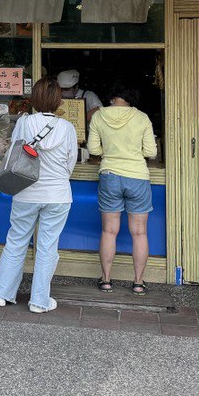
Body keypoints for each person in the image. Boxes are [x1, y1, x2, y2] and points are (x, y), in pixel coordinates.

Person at [0, 76, 79, 313]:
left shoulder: (25, 122)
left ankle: (2, 294)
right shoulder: (67, 128)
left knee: (16, 240)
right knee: (48, 246)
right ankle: (39, 301)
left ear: (35, 98)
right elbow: (71, 162)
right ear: (58, 100)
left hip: (25, 191)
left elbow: (15, 153)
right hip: (58, 194)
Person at [87, 84, 158, 295]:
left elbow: (92, 149)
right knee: (139, 232)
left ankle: (106, 280)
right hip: (137, 176)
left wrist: (108, 151)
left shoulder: (99, 116)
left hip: (110, 175)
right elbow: (151, 151)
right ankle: (138, 283)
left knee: (109, 231)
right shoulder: (142, 117)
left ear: (111, 98)